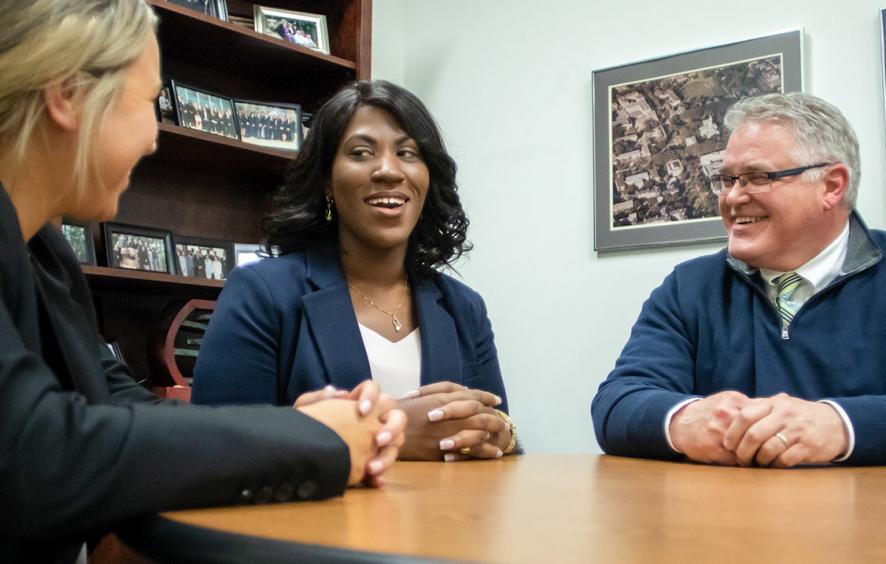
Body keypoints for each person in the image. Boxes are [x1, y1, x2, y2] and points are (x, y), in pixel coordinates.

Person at [0, 2, 406, 562]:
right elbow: (37, 456)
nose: (153, 138)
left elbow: (119, 409)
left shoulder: (44, 255)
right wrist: (319, 439)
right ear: (67, 95)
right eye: (148, 102)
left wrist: (302, 426)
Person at [192, 80, 518, 462]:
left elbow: (497, 435)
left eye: (408, 153)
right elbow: (218, 447)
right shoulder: (261, 292)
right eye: (361, 153)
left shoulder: (464, 307)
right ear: (327, 181)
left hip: (443, 518)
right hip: (310, 521)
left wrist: (502, 437)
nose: (388, 171)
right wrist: (387, 432)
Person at [591, 92, 886, 468]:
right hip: (726, 522)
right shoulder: (689, 287)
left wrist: (841, 425)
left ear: (832, 186)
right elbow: (617, 402)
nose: (732, 198)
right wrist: (685, 419)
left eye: (757, 178)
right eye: (727, 179)